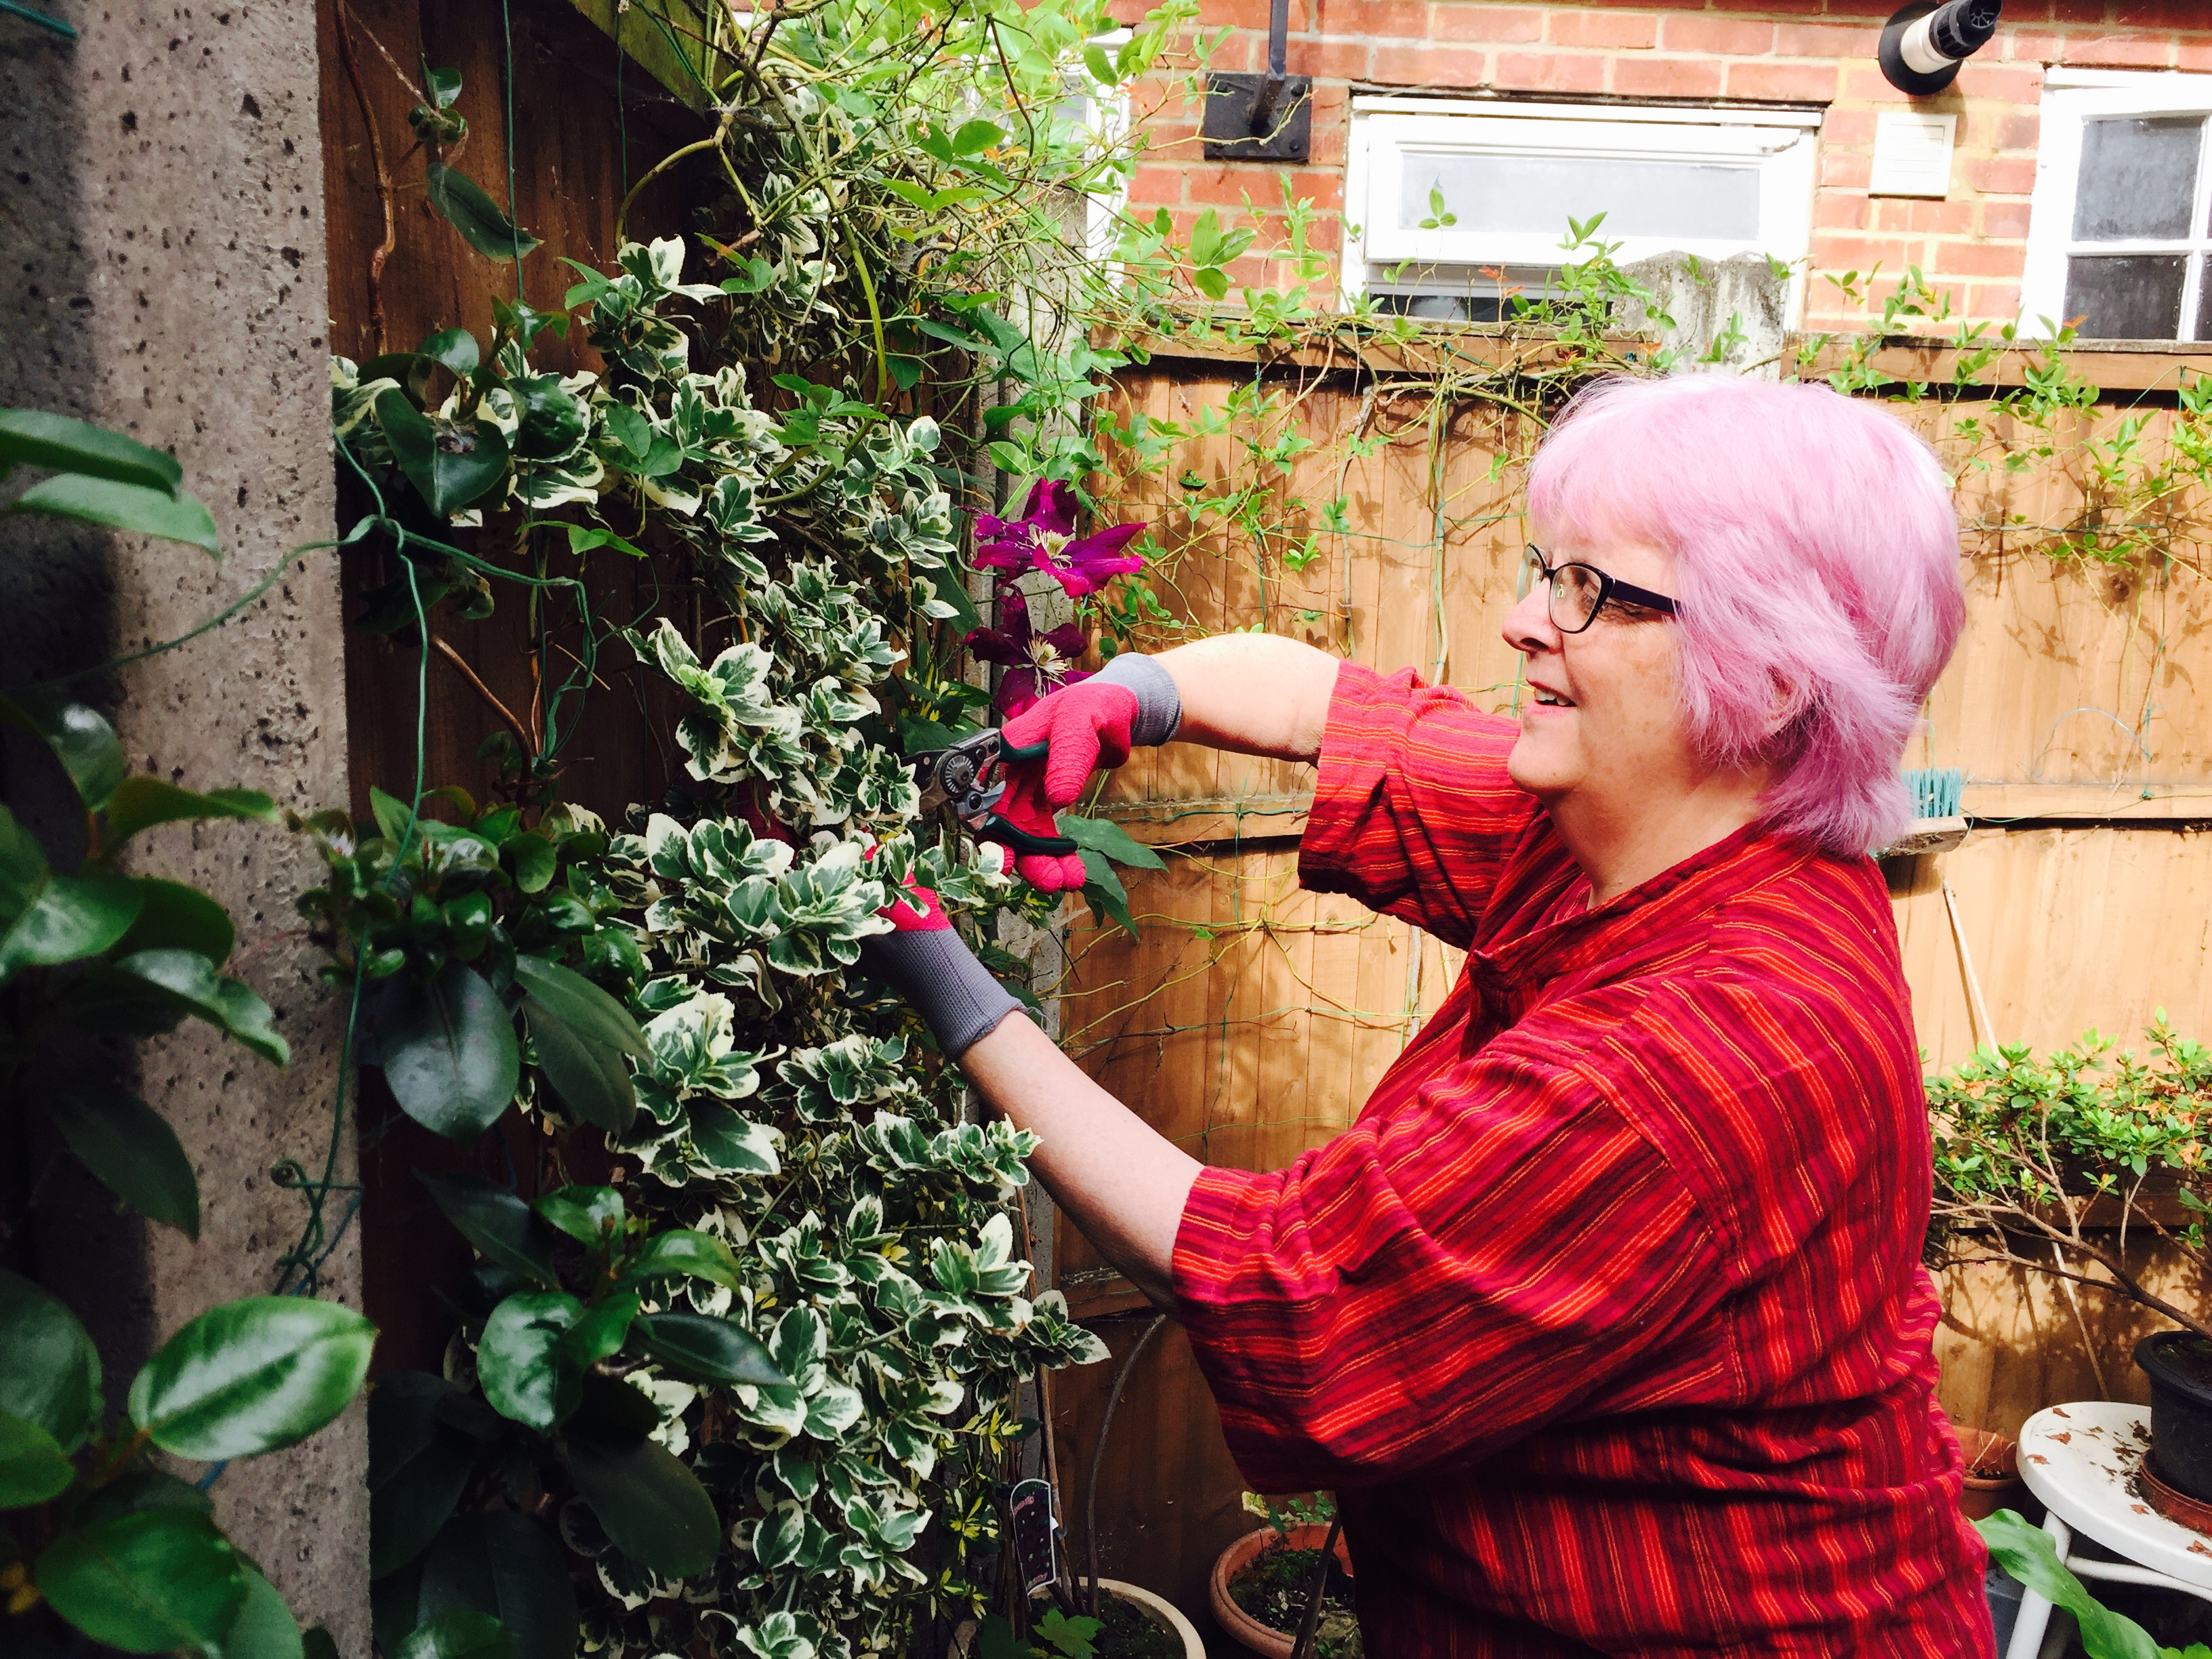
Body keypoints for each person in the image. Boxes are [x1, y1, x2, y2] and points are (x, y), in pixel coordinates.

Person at [863, 373, 1996, 1656]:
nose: (1524, 621)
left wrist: (941, 977)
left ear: (1775, 676)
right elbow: (1342, 715)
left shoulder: (1707, 1056)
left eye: (1591, 593)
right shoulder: (1645, 832)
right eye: (1543, 570)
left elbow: (1284, 1285)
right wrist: (1131, 696)